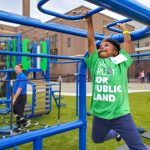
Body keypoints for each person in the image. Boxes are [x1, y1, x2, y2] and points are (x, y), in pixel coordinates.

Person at [84, 13, 147, 150]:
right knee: (97, 139)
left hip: (120, 114)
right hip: (100, 115)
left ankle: (121, 131)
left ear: (115, 52)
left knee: (137, 147)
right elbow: (90, 41)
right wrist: (89, 22)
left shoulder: (119, 62)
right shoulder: (95, 62)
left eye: (106, 45)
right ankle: (116, 133)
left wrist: (124, 29)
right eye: (100, 45)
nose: (101, 47)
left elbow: (128, 44)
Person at [13, 64, 29, 131]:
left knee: (19, 113)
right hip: (18, 96)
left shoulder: (23, 77)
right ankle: (25, 122)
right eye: (15, 68)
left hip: (21, 96)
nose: (16, 69)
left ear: (21, 69)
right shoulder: (18, 75)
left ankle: (19, 128)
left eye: (17, 68)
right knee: (15, 110)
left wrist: (14, 98)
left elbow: (20, 89)